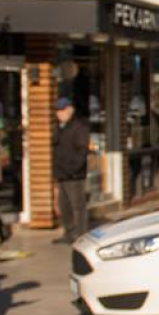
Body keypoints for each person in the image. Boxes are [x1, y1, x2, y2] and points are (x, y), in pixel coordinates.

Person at [52, 98, 89, 244]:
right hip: (62, 174)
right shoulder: (59, 128)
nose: (59, 113)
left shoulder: (78, 127)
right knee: (64, 205)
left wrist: (74, 169)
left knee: (77, 205)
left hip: (75, 175)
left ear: (70, 110)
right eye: (57, 110)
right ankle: (68, 232)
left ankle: (81, 234)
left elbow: (82, 151)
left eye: (62, 110)